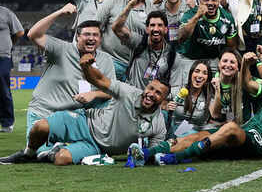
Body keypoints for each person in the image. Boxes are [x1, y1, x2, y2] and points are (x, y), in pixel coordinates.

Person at [2, 52, 169, 165]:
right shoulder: (129, 93)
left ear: (163, 100)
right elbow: (100, 81)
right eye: (151, 89)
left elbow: (152, 153)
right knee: (40, 127)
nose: (151, 94)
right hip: (84, 122)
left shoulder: (158, 124)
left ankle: (56, 149)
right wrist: (86, 67)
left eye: (158, 93)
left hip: (97, 148)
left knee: (62, 159)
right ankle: (28, 154)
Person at [16, 5, 116, 149]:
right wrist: (59, 12)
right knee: (41, 152)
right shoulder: (61, 49)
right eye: (87, 34)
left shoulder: (105, 59)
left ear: (100, 39)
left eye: (95, 35)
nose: (91, 38)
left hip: (71, 118)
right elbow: (33, 34)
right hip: (44, 113)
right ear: (77, 37)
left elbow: (111, 91)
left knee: (65, 154)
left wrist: (93, 94)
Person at [94, 0, 151, 79]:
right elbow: (95, 27)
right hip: (110, 62)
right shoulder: (112, 0)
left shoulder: (151, 9)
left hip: (135, 67)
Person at [0, 4, 24, 132]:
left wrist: (8, 45)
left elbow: (19, 32)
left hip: (2, 57)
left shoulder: (6, 13)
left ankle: (7, 123)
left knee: (3, 89)